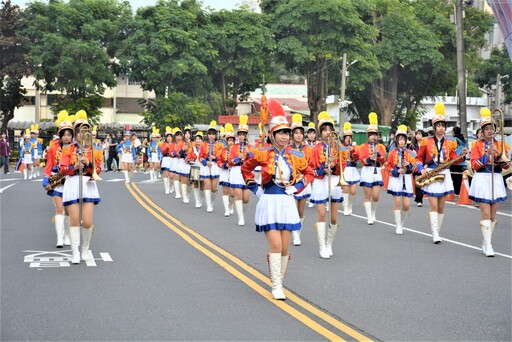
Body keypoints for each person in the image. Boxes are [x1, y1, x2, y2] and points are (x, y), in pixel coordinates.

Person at [241, 100, 314, 300]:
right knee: (275, 246)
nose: (285, 136)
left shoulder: (296, 155)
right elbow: (245, 169)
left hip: (287, 202)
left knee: (285, 248)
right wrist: (255, 189)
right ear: (272, 135)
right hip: (269, 202)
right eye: (280, 133)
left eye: (286, 133)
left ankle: (278, 280)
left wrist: (297, 187)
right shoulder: (262, 154)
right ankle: (276, 285)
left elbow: (309, 173)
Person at [415, 103, 468, 244]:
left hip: (445, 174)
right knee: (433, 205)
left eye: (443, 125)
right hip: (432, 173)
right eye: (438, 125)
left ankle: (437, 230)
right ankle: (435, 233)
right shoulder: (426, 141)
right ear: (434, 127)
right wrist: (422, 169)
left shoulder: (451, 142)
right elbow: (418, 158)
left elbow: (453, 161)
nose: (441, 128)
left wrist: (461, 156)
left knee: (441, 206)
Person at [60, 110, 102, 264]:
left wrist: (88, 163)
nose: (81, 135)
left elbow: (98, 170)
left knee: (88, 221)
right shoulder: (67, 150)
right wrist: (74, 166)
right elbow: (62, 169)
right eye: (79, 132)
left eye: (85, 132)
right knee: (74, 220)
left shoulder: (94, 150)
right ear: (75, 134)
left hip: (88, 184)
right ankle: (75, 251)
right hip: (72, 183)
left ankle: (85, 248)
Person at [469, 108, 510, 257]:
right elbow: (474, 165)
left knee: (493, 217)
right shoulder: (476, 146)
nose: (489, 131)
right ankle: (488, 245)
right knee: (485, 214)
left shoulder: (501, 145)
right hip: (482, 179)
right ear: (482, 131)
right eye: (486, 129)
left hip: (496, 179)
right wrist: (486, 156)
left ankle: (486, 241)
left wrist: (498, 154)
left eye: (491, 128)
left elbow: (506, 165)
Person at [309, 112, 344, 259]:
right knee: (322, 214)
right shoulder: (316, 148)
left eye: (330, 129)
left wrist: (335, 165)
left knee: (334, 218)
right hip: (321, 181)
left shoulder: (338, 146)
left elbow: (344, 164)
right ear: (320, 132)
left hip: (335, 180)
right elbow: (310, 167)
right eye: (324, 130)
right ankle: (322, 246)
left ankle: (329, 243)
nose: (328, 132)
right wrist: (322, 169)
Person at [42, 111, 72, 248]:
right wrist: (46, 179)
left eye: (69, 134)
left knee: (68, 210)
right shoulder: (53, 146)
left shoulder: (75, 148)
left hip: (70, 179)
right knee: (59, 208)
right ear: (59, 135)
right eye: (64, 134)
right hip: (57, 179)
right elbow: (49, 164)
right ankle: (59, 238)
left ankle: (66, 235)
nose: (66, 137)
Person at [288, 113, 313, 246]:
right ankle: (295, 235)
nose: (298, 135)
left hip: (303, 181)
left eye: (300, 132)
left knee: (300, 211)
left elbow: (312, 164)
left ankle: (298, 232)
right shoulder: (287, 149)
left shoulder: (308, 149)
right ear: (291, 134)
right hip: (290, 181)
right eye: (295, 132)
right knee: (292, 209)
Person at [386, 125, 416, 234]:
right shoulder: (392, 152)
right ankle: (398, 225)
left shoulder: (411, 152)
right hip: (396, 179)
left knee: (407, 205)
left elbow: (416, 167)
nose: (402, 141)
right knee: (397, 202)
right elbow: (388, 166)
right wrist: (396, 171)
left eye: (403, 139)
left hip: (407, 178)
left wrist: (410, 164)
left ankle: (401, 222)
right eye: (400, 139)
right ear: (397, 140)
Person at [358, 112, 387, 225]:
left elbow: (384, 159)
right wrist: (370, 158)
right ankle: (369, 216)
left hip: (377, 171)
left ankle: (373, 212)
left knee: (376, 196)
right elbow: (362, 160)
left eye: (375, 134)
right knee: (367, 195)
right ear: (368, 135)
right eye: (371, 134)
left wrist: (378, 155)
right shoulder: (363, 147)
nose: (373, 136)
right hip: (367, 170)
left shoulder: (380, 147)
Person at [228, 115, 255, 226]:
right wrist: (238, 158)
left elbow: (254, 160)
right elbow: (229, 162)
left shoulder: (250, 147)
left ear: (246, 135)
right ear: (237, 136)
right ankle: (240, 218)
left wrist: (249, 153)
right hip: (236, 171)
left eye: (243, 134)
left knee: (246, 199)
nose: (241, 137)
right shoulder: (233, 147)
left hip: (247, 172)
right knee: (238, 195)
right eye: (240, 134)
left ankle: (242, 213)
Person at [199, 121, 223, 212]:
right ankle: (208, 205)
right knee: (207, 185)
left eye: (213, 134)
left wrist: (215, 158)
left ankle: (212, 201)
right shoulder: (203, 145)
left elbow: (222, 157)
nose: (211, 136)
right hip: (206, 166)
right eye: (210, 134)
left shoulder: (219, 145)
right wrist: (205, 161)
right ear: (207, 135)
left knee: (213, 188)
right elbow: (200, 157)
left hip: (215, 166)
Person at [340, 122, 360, 216]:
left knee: (353, 191)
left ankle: (350, 205)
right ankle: (345, 208)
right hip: (345, 169)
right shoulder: (341, 147)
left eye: (350, 137)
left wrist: (352, 150)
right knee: (345, 190)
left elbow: (357, 157)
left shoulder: (355, 147)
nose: (348, 139)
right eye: (346, 137)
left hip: (352, 169)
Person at [218, 124, 235, 216]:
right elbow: (218, 161)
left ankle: (231, 205)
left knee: (232, 193)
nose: (231, 142)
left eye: (232, 140)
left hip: (233, 172)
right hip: (224, 171)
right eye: (229, 140)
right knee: (225, 191)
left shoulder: (237, 150)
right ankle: (226, 209)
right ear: (227, 141)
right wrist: (223, 165)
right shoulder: (222, 150)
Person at [186, 130, 204, 208]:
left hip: (203, 167)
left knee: (203, 185)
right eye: (196, 139)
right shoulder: (192, 149)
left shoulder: (205, 148)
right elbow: (188, 158)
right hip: (195, 166)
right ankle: (197, 201)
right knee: (196, 183)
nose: (198, 140)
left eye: (200, 139)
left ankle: (200, 198)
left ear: (202, 140)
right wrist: (189, 161)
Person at [409, 129, 426, 207]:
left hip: (424, 166)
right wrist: (413, 154)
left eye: (420, 134)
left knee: (422, 183)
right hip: (415, 166)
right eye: (417, 134)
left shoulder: (426, 145)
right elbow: (408, 155)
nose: (418, 136)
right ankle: (419, 200)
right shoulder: (412, 145)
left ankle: (419, 198)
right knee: (417, 182)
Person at [450, 126, 467, 195]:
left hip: (455, 160)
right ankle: (460, 190)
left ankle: (456, 191)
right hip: (462, 160)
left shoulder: (454, 139)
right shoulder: (463, 139)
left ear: (454, 132)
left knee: (454, 177)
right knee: (460, 177)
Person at [160, 127, 174, 194]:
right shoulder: (164, 144)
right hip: (166, 159)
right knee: (166, 174)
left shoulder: (174, 144)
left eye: (170, 136)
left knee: (171, 175)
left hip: (172, 160)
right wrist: (167, 148)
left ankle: (171, 186)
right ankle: (166, 189)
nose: (169, 138)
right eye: (167, 136)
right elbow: (163, 152)